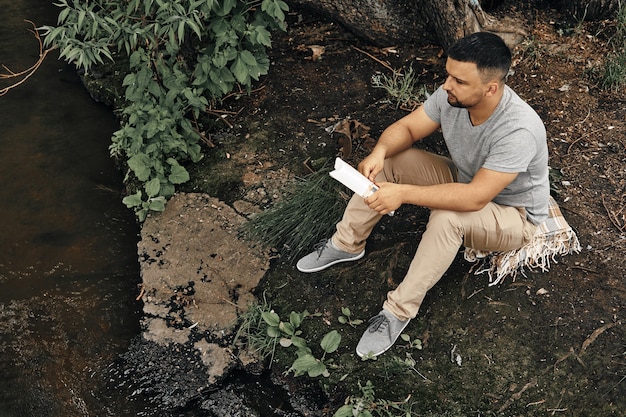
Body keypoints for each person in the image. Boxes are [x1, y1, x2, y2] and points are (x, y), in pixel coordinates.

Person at [296, 32, 549, 358]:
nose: (446, 85)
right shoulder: (453, 95)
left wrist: (403, 194)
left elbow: (474, 199)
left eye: (458, 80)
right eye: (448, 74)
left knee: (448, 218)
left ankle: (398, 311)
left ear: (491, 88)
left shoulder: (519, 130)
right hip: (465, 179)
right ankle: (346, 245)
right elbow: (410, 128)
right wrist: (379, 152)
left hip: (512, 214)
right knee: (392, 162)